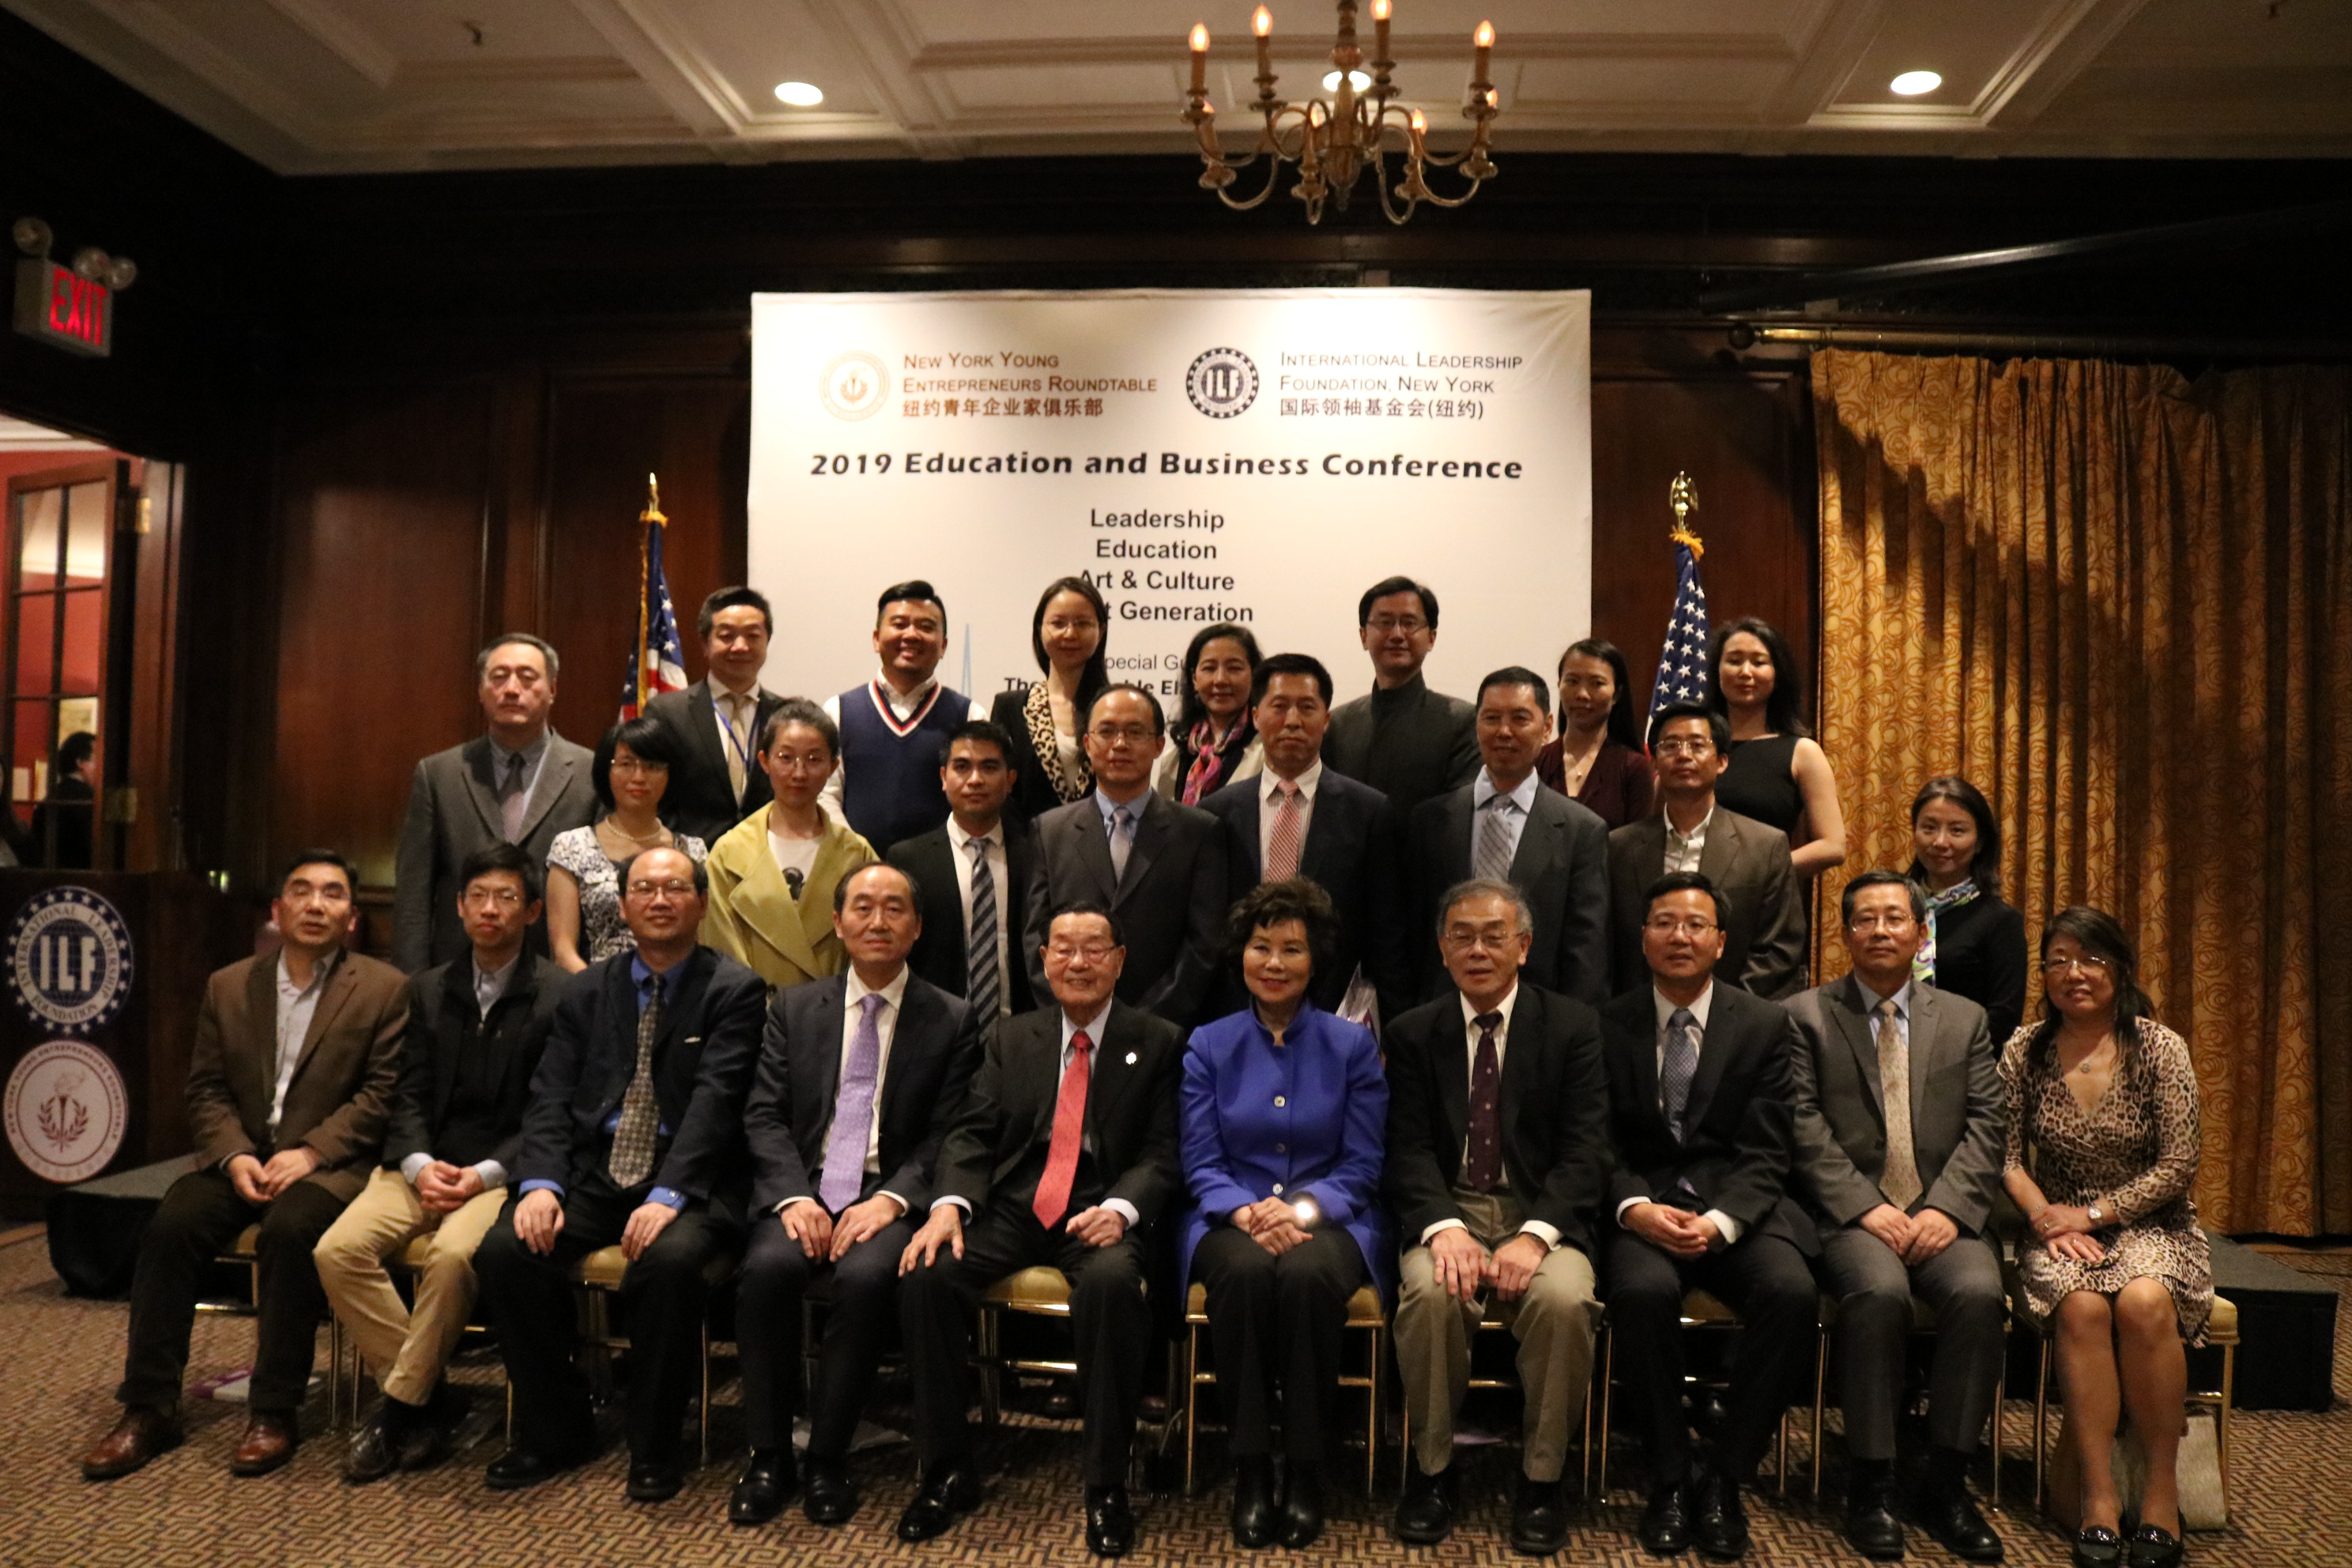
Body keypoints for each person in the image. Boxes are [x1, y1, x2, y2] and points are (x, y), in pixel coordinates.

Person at [81, 851, 408, 1482]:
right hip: (242, 1159)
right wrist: (233, 1156)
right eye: (302, 891)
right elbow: (206, 1089)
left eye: (333, 894)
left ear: (352, 916)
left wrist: (311, 1151)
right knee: (172, 1223)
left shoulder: (384, 989)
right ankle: (149, 1406)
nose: (316, 905)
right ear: (277, 910)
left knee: (289, 1230)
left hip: (330, 1165)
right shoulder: (229, 985)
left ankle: (274, 1409)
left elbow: (382, 1094)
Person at [473, 846, 765, 1501]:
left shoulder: (734, 990)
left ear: (701, 902)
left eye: (675, 888)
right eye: (644, 890)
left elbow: (717, 1103)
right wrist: (540, 1184)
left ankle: (655, 1445)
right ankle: (558, 1429)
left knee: (667, 1264)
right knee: (506, 1251)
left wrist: (670, 1193)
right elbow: (550, 1095)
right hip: (596, 1171)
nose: (659, 900)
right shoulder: (585, 990)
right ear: (623, 906)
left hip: (691, 1178)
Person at [895, 903, 1185, 1557]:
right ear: (1044, 960)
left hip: (1100, 1206)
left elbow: (1164, 1152)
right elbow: (972, 1131)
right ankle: (946, 1468)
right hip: (1016, 1204)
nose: (1078, 963)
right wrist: (948, 1206)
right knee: (927, 1273)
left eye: (1093, 949)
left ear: (1119, 960)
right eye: (1063, 950)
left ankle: (1106, 1484)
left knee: (1112, 1288)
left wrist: (1123, 1209)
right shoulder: (1012, 1036)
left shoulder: (1159, 1039)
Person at [732, 861, 982, 1528]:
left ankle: (827, 1457)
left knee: (868, 1278)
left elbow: (950, 1131)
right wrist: (793, 1198)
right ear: (838, 923)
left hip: (886, 1192)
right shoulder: (793, 1009)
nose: (878, 921)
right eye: (863, 907)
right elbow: (763, 1116)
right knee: (767, 1269)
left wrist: (894, 1199)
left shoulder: (953, 1018)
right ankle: (768, 1456)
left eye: (894, 908)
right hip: (805, 1188)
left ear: (917, 927)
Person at [313, 842, 565, 1483]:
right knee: (337, 1250)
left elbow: (552, 1110)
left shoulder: (558, 996)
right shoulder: (427, 989)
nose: (490, 910)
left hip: (500, 1175)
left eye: (506, 898)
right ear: (458, 907)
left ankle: (399, 1409)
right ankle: (432, 1397)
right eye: (478, 897)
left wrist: (482, 1175)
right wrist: (422, 1165)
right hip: (421, 1164)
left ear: (533, 911)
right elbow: (406, 1094)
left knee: (453, 1257)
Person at [1786, 871, 2006, 1563]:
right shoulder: (1804, 1015)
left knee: (1980, 1294)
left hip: (1943, 1212)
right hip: (1853, 1215)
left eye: (1894, 918)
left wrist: (1949, 1208)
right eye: (1866, 919)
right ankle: (1872, 1482)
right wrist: (1866, 1206)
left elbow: (1988, 1125)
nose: (1880, 930)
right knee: (1878, 1294)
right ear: (1846, 933)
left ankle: (1946, 1482)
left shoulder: (1965, 1018)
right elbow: (1801, 1126)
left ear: (1920, 932)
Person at [1599, 871, 1819, 1562]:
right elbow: (1594, 1140)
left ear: (1721, 942)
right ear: (1643, 938)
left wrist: (1723, 1221)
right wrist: (1635, 1207)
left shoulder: (1764, 1024)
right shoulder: (1604, 1022)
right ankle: (1669, 1477)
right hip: (1644, 1208)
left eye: (1695, 925)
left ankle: (1725, 1476)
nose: (1679, 937)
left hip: (1734, 1208)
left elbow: (1770, 1147)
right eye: (1664, 923)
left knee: (1791, 1291)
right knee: (1641, 1293)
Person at [1383, 878, 1608, 1555]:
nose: (1477, 950)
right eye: (1462, 936)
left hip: (1539, 1214)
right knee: (1430, 1294)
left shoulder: (1571, 1027)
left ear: (1524, 946)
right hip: (1447, 1210)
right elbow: (1406, 1149)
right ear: (1442, 948)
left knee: (1566, 1301)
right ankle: (1432, 1471)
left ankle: (1542, 1480)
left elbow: (1586, 1152)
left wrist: (1535, 1237)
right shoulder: (1414, 1032)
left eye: (1494, 936)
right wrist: (1443, 1226)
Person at [1179, 880, 1389, 1549]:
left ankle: (1305, 1467)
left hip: (1330, 1219)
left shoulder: (1351, 1046)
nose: (1274, 962)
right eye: (1261, 946)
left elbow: (1362, 1162)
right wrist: (1245, 1212)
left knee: (1306, 1277)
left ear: (1314, 959)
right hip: (1229, 1217)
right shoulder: (1208, 1044)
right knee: (1241, 1276)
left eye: (1291, 949)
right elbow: (1200, 1160)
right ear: (1241, 954)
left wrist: (1301, 1212)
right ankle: (1249, 1466)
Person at [2003, 908, 2211, 1568]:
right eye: (2059, 960)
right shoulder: (2024, 1049)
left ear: (2120, 968)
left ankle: (2159, 1494)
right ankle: (2097, 1497)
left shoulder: (2160, 1047)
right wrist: (2048, 1219)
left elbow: (2179, 1165)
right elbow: (2004, 1157)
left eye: (2091, 959)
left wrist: (2093, 1215)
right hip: (2058, 1228)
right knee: (2083, 1308)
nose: (2075, 973)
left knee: (2144, 1303)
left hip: (2151, 1223)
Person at [1200, 652, 1404, 1021]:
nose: (1292, 720)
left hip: (1334, 1014)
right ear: (1256, 716)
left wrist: (1392, 1027)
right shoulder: (1217, 812)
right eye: (1279, 706)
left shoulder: (1368, 812)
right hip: (1237, 1015)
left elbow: (1386, 934)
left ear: (1326, 720)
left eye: (1307, 708)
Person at [1023, 684, 1227, 1028]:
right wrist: (1077, 1015)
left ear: (1159, 745)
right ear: (1087, 743)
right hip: (1071, 1030)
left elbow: (1203, 946)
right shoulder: (1049, 831)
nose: (1120, 744)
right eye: (1106, 731)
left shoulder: (1199, 832)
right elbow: (1035, 941)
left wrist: (1143, 1026)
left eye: (1135, 732)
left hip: (1164, 1032)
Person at [394, 634, 598, 973]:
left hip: (556, 974)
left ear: (552, 690)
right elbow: (414, 893)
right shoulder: (439, 774)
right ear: (480, 691)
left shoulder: (590, 774)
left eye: (527, 678)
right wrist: (412, 983)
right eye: (499, 677)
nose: (512, 689)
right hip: (456, 973)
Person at [1407, 667, 1609, 1006]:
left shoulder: (1582, 830)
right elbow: (1412, 933)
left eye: (1519, 718)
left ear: (1547, 726)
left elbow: (1585, 952)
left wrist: (1572, 1027)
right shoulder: (1429, 820)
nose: (1504, 731)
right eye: (1491, 718)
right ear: (1476, 725)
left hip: (1539, 1016)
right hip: (1442, 1015)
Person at [1607, 703, 1807, 1000]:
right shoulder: (1618, 846)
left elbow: (1780, 947)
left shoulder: (1765, 846)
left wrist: (1724, 1012)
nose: (1683, 755)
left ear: (1722, 761)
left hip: (1736, 1016)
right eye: (1671, 745)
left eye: (1697, 745)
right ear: (1654, 763)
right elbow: (1606, 944)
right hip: (1637, 1015)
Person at [703, 700, 877, 993]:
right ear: (764, 761)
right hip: (751, 1010)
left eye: (814, 759)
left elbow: (870, 946)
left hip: (832, 1010)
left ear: (833, 767)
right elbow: (721, 948)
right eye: (786, 758)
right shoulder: (728, 853)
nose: (799, 773)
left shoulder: (857, 855)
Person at [888, 720, 1035, 1021]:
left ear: (1010, 780)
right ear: (944, 777)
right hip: (933, 1025)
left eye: (989, 767)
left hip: (1021, 1028)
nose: (975, 780)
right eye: (962, 767)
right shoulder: (907, 859)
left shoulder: (1035, 855)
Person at [822, 580, 974, 854]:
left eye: (926, 627)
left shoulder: (969, 717)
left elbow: (973, 802)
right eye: (899, 624)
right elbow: (826, 795)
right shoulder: (839, 711)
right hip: (855, 868)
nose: (912, 635)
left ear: (943, 646)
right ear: (876, 639)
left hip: (939, 871)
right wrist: (856, 856)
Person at [547, 717, 709, 971]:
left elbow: (702, 941)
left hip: (678, 988)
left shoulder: (692, 851)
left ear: (670, 774)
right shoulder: (571, 847)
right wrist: (599, 992)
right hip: (595, 987)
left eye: (652, 766)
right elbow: (563, 950)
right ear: (606, 771)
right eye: (626, 764)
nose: (638, 776)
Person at [1321, 575, 1479, 817]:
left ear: (1431, 637)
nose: (1397, 634)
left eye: (1409, 623)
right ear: (1363, 636)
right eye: (1385, 622)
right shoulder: (1337, 724)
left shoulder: (1462, 721)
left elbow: (1462, 814)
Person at [643, 586, 786, 846]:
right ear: (705, 644)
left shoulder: (785, 716)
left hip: (769, 859)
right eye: (726, 636)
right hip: (691, 860)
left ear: (767, 642)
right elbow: (651, 796)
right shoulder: (667, 713)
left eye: (753, 636)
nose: (740, 646)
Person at [1706, 616, 1846, 880]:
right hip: (1690, 894)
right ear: (1717, 671)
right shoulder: (1695, 746)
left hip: (1766, 893)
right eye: (1734, 661)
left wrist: (1758, 873)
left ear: (1777, 674)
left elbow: (1833, 846)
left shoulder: (1802, 751)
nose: (1745, 672)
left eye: (1759, 662)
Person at [1909, 776, 2030, 1044]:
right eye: (1929, 828)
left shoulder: (2000, 921)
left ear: (1980, 842)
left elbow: (2003, 1019)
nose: (1940, 841)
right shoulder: (1894, 910)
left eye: (1957, 831)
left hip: (1966, 1061)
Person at [989, 575, 1109, 824]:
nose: (1070, 633)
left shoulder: (1115, 709)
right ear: (1039, 629)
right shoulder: (1011, 708)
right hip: (1029, 844)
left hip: (1104, 844)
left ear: (1101, 631)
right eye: (1058, 623)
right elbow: (1002, 794)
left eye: (1083, 623)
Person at [1533, 639, 1655, 831]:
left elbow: (1638, 843)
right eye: (1572, 681)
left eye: (1597, 683)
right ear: (1559, 685)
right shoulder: (1536, 762)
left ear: (1617, 694)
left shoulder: (1633, 768)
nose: (1582, 694)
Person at [1152, 622, 1263, 804]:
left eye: (1234, 668)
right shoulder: (1173, 760)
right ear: (1194, 678)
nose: (1220, 680)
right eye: (1209, 668)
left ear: (1254, 675)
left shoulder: (1269, 753)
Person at [30, 729, 97, 868]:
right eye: (96, 760)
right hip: (85, 876)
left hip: (48, 876)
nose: (101, 767)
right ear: (80, 763)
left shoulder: (51, 798)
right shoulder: (91, 800)